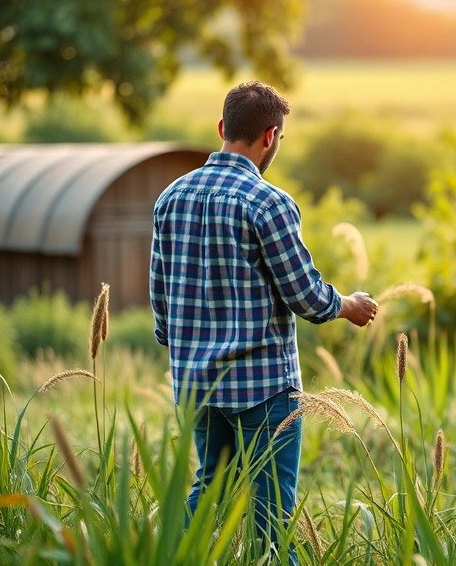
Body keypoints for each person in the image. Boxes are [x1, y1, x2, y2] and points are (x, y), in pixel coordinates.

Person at [149, 80, 378, 563]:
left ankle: (167, 555)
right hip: (263, 389)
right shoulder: (267, 202)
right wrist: (347, 304)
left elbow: (162, 304)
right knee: (272, 516)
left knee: (209, 491)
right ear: (270, 136)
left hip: (196, 385)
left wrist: (190, 351)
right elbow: (307, 297)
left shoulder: (170, 198)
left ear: (222, 128)